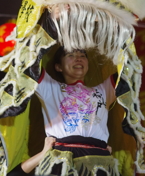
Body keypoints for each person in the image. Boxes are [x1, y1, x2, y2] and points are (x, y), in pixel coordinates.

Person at [9, 47, 118, 176]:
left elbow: (128, 71)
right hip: (63, 156)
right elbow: (27, 62)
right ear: (58, 67)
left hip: (100, 156)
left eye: (83, 56)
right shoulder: (50, 87)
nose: (78, 58)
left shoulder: (104, 90)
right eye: (70, 55)